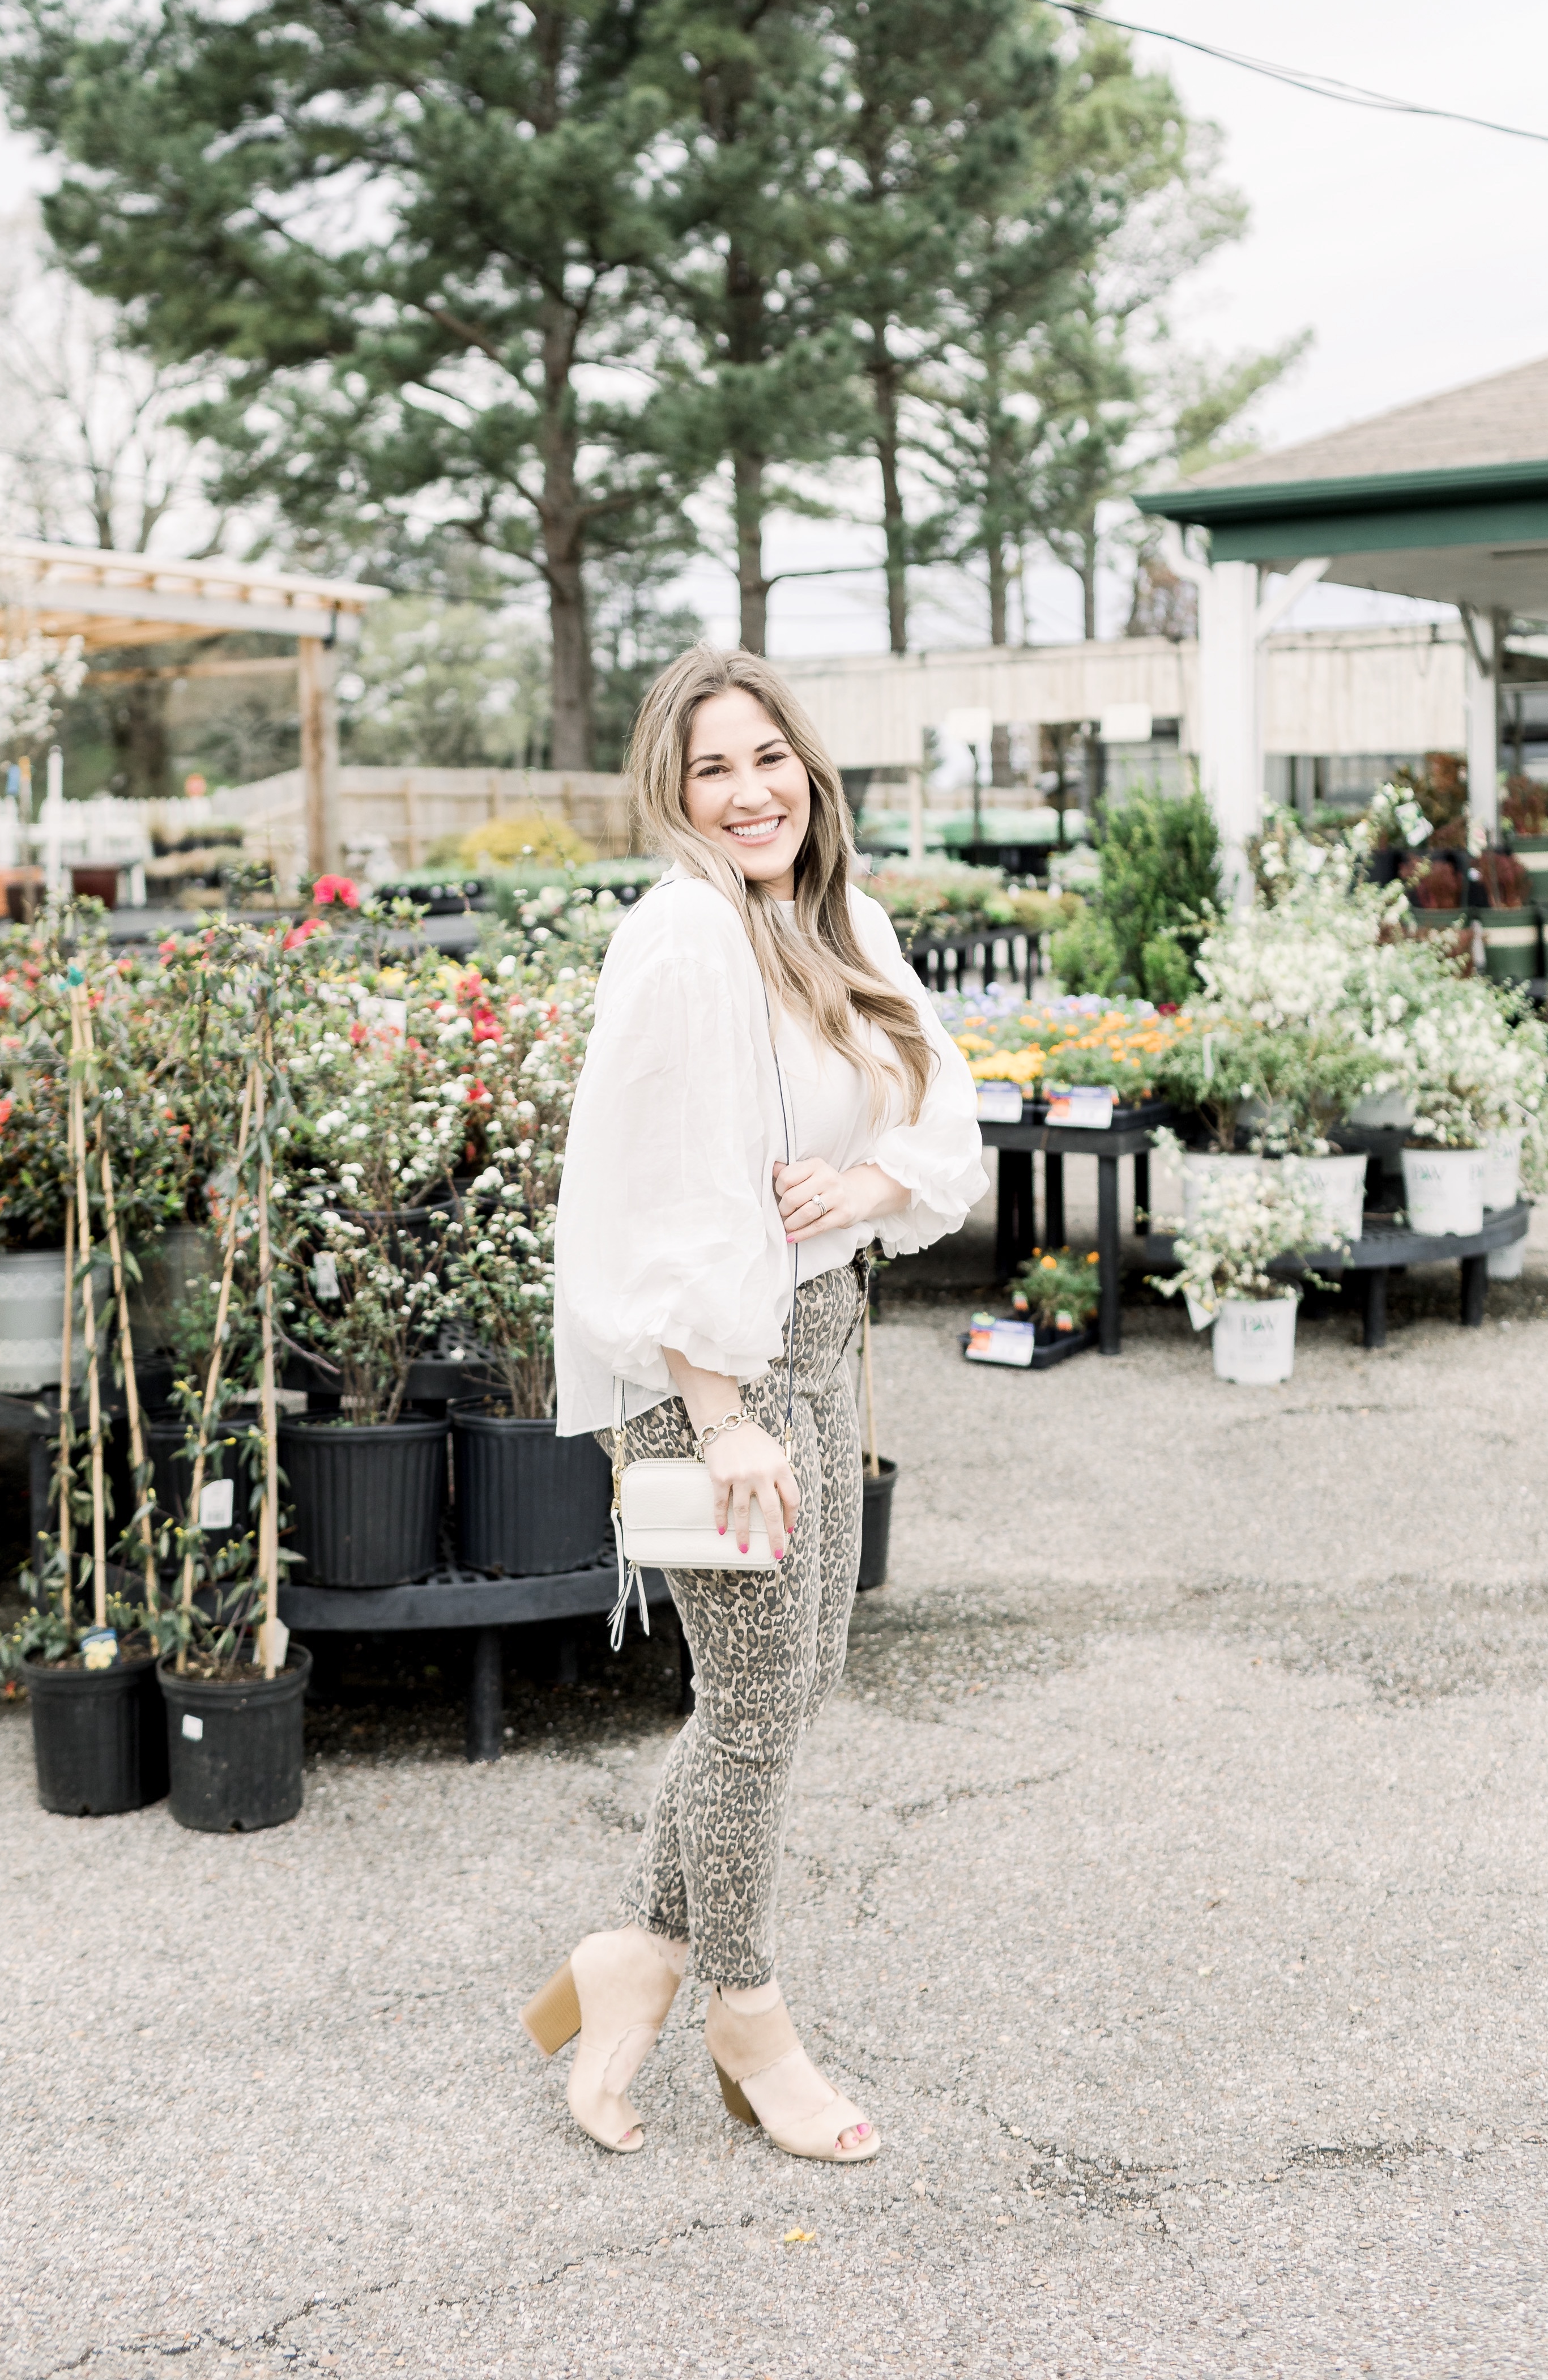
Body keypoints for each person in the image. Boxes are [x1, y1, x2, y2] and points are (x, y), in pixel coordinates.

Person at [523, 646, 985, 2160]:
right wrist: (721, 1418)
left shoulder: (834, 915)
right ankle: (746, 2013)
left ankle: (630, 1962)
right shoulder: (687, 940)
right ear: (673, 791)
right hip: (710, 1373)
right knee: (753, 1709)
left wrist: (870, 1178)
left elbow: (939, 1103)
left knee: (799, 1679)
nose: (748, 792)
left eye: (767, 757)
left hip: (821, 1338)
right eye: (712, 767)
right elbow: (662, 1198)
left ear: (809, 767)